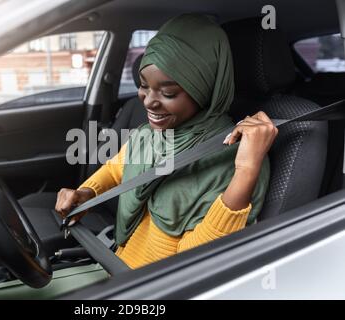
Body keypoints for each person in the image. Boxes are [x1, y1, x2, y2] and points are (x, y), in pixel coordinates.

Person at [55, 13, 277, 270]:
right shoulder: (151, 134)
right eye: (143, 86)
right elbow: (118, 168)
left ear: (204, 88)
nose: (149, 101)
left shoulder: (236, 156)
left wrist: (247, 171)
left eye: (168, 93)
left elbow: (197, 264)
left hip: (155, 285)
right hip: (114, 262)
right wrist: (87, 194)